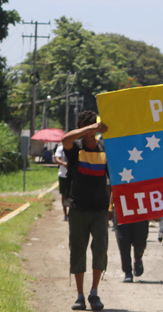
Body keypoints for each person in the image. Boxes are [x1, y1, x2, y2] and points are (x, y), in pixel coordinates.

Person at [62, 111, 110, 311]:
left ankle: (94, 293)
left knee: (100, 249)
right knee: (78, 251)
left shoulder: (105, 149)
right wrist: (90, 128)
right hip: (78, 208)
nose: (90, 133)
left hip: (100, 209)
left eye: (93, 127)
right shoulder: (75, 149)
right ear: (81, 128)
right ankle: (80, 295)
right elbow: (65, 138)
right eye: (86, 128)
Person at [114, 217, 148, 283]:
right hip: (121, 211)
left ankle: (138, 258)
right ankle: (127, 272)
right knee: (123, 242)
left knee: (141, 240)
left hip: (140, 210)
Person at [54, 143, 70, 221]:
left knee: (72, 194)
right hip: (63, 175)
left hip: (72, 175)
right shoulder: (61, 149)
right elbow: (57, 159)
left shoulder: (73, 148)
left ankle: (71, 212)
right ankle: (65, 213)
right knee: (64, 195)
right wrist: (63, 163)